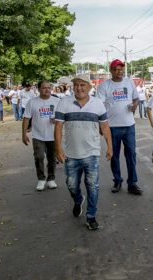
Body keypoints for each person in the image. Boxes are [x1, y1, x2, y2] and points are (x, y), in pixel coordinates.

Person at [55, 74, 113, 230]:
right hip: (70, 154)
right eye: (76, 85)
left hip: (92, 153)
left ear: (89, 87)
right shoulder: (64, 103)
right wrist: (58, 148)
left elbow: (105, 127)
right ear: (72, 87)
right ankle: (78, 199)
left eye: (82, 85)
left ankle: (91, 216)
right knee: (71, 184)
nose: (79, 88)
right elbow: (58, 127)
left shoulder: (98, 104)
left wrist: (110, 146)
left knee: (92, 186)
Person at [97, 59, 142, 194]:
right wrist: (101, 124)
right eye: (116, 69)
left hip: (129, 126)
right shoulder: (104, 85)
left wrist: (135, 105)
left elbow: (136, 98)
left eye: (121, 69)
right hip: (112, 127)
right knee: (114, 155)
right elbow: (99, 106)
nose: (119, 72)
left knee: (131, 155)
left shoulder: (129, 82)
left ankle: (132, 183)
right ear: (111, 71)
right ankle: (117, 181)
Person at [22, 81, 59, 191]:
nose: (47, 90)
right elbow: (26, 118)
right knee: (39, 157)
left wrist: (56, 119)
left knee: (52, 158)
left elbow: (63, 116)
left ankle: (51, 179)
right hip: (38, 135)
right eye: (44, 88)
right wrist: (23, 134)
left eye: (49, 88)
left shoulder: (57, 101)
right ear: (38, 89)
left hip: (53, 135)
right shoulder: (32, 102)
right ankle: (41, 179)